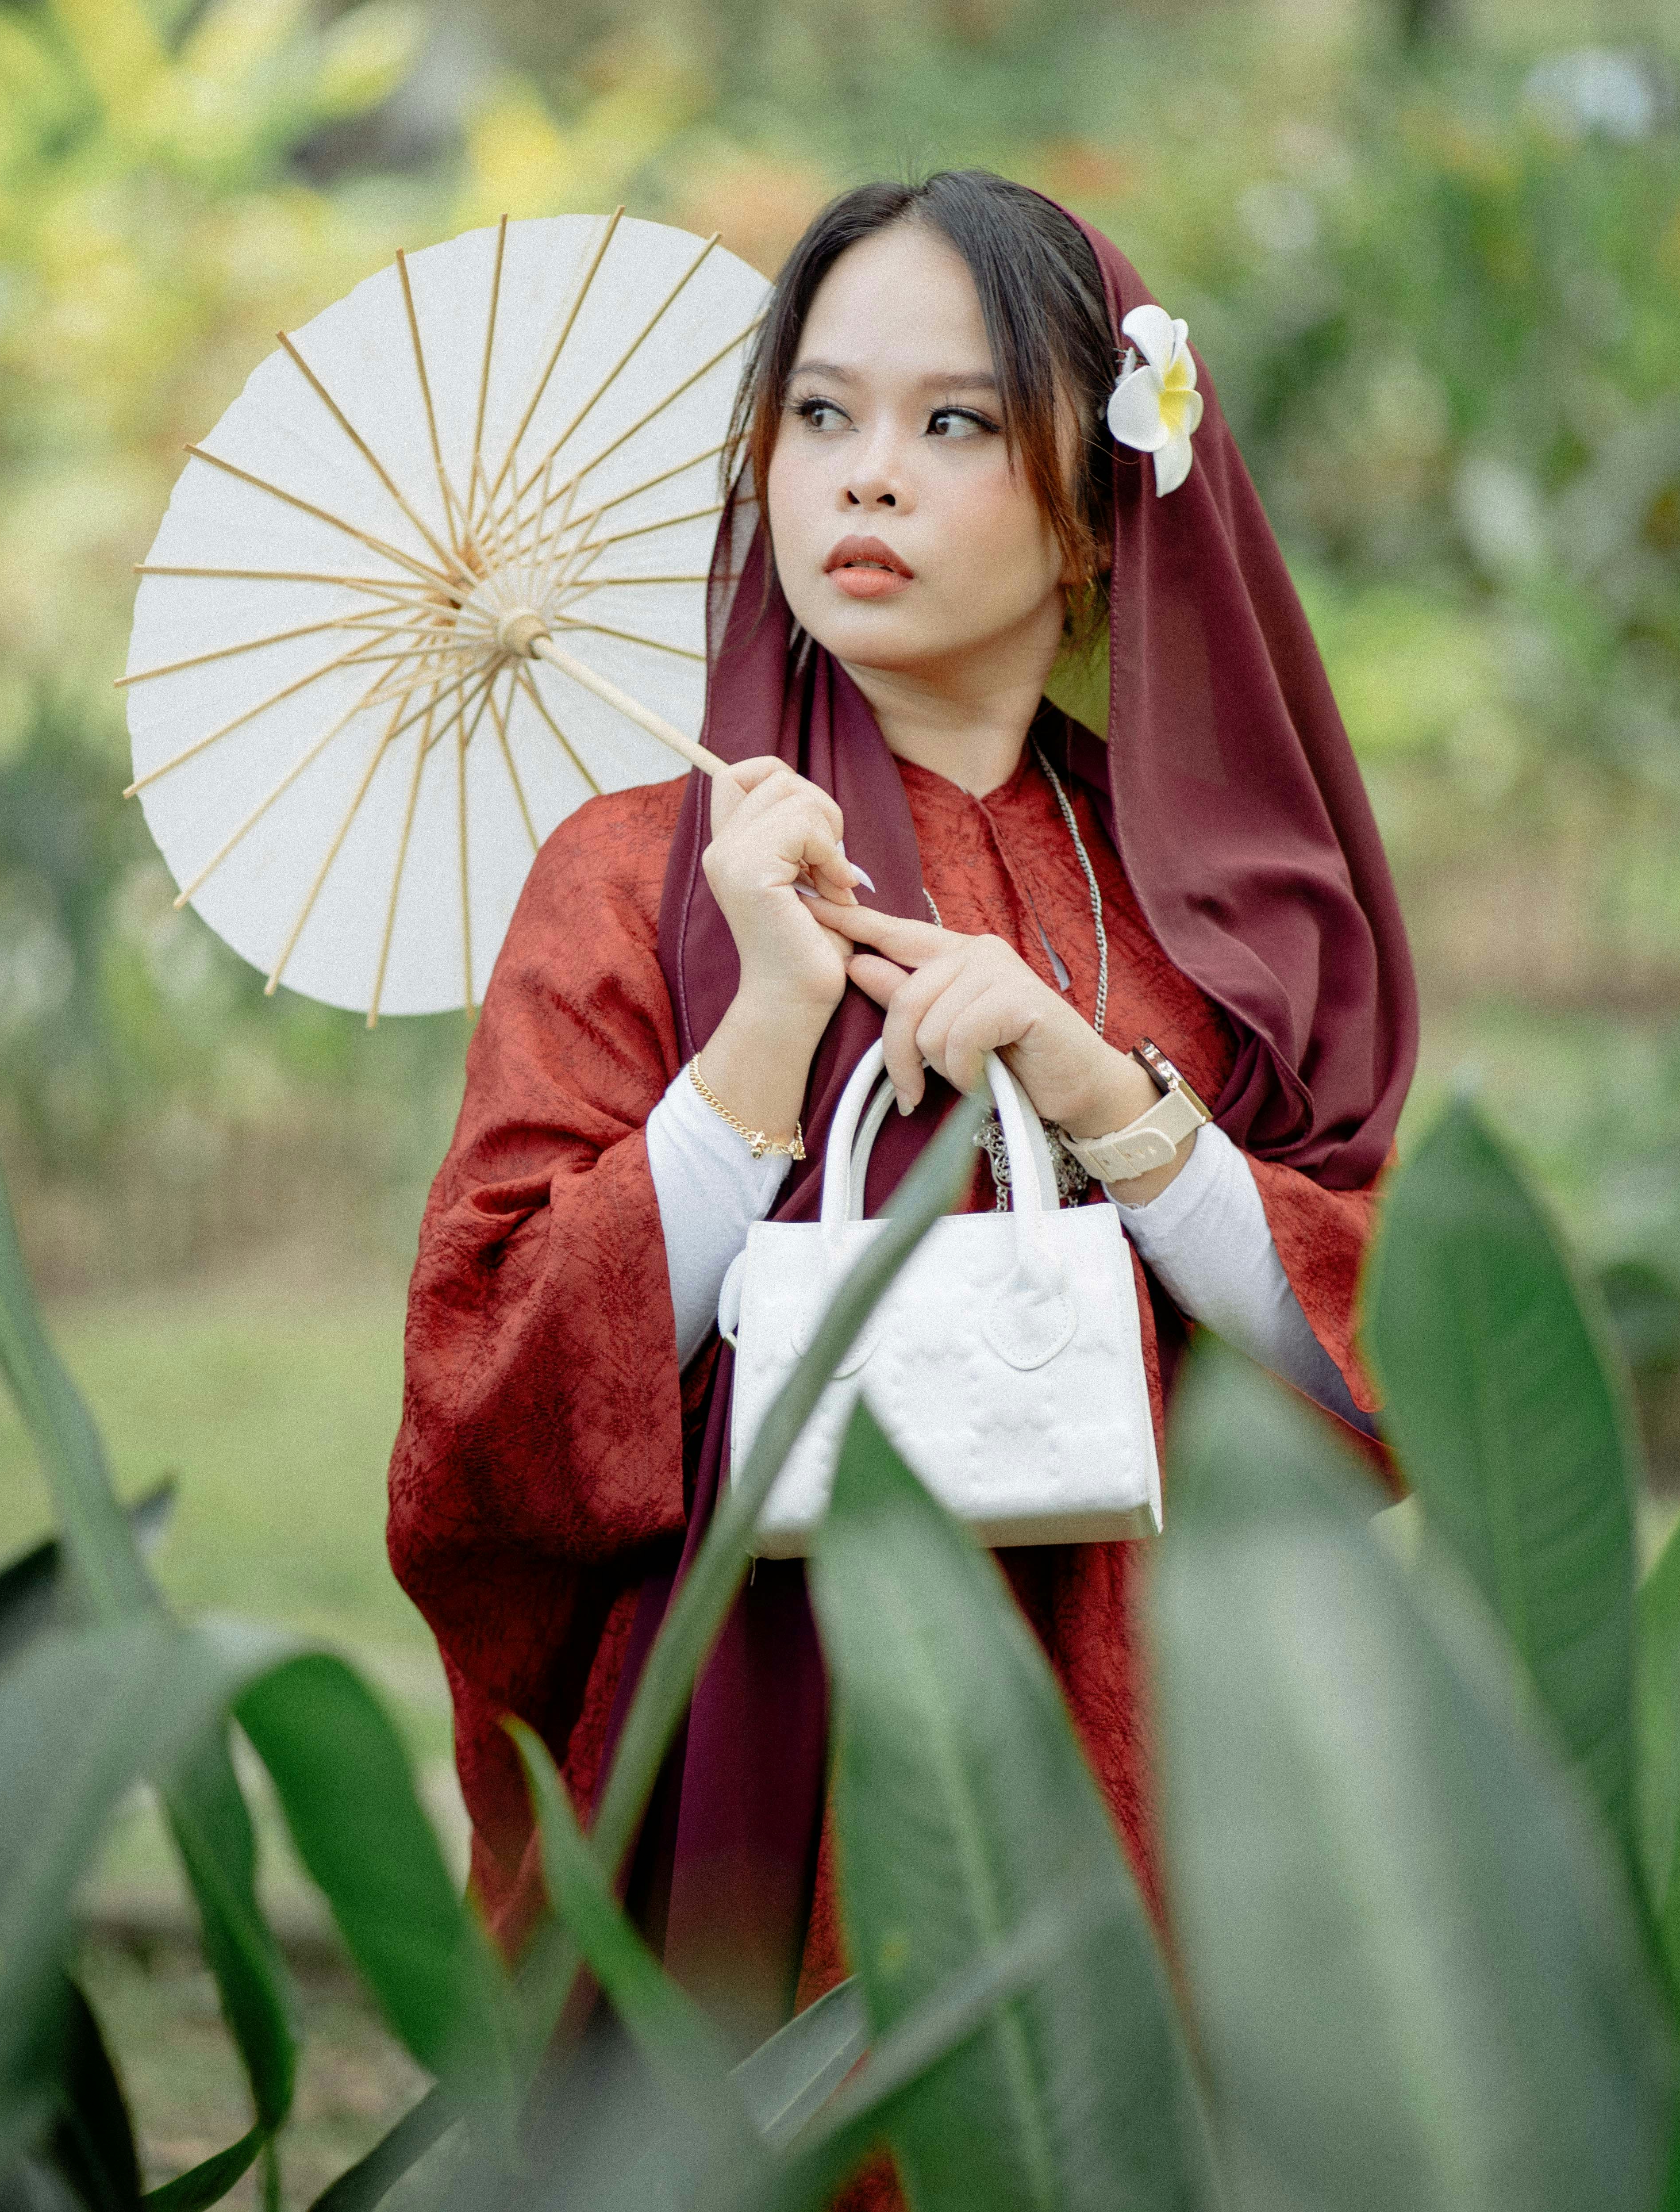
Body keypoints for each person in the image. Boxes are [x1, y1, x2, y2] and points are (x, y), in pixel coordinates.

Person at [388, 167, 1415, 2127]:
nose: (864, 476)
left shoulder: (1197, 906)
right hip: (767, 1783)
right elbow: (483, 1411)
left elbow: (1369, 1381)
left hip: (1158, 1747)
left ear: (1103, 519)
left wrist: (1106, 1092)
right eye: (821, 413)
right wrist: (761, 1034)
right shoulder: (634, 880)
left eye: (953, 422)